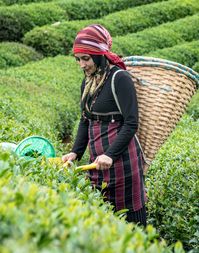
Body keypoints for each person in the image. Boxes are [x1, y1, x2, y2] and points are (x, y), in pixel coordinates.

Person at [61, 24, 147, 228]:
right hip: (96, 159)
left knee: (130, 220)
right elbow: (85, 120)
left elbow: (131, 122)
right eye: (78, 59)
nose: (82, 64)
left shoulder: (120, 78)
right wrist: (75, 152)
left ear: (100, 55)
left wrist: (111, 154)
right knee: (103, 217)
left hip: (122, 159)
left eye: (86, 58)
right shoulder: (89, 81)